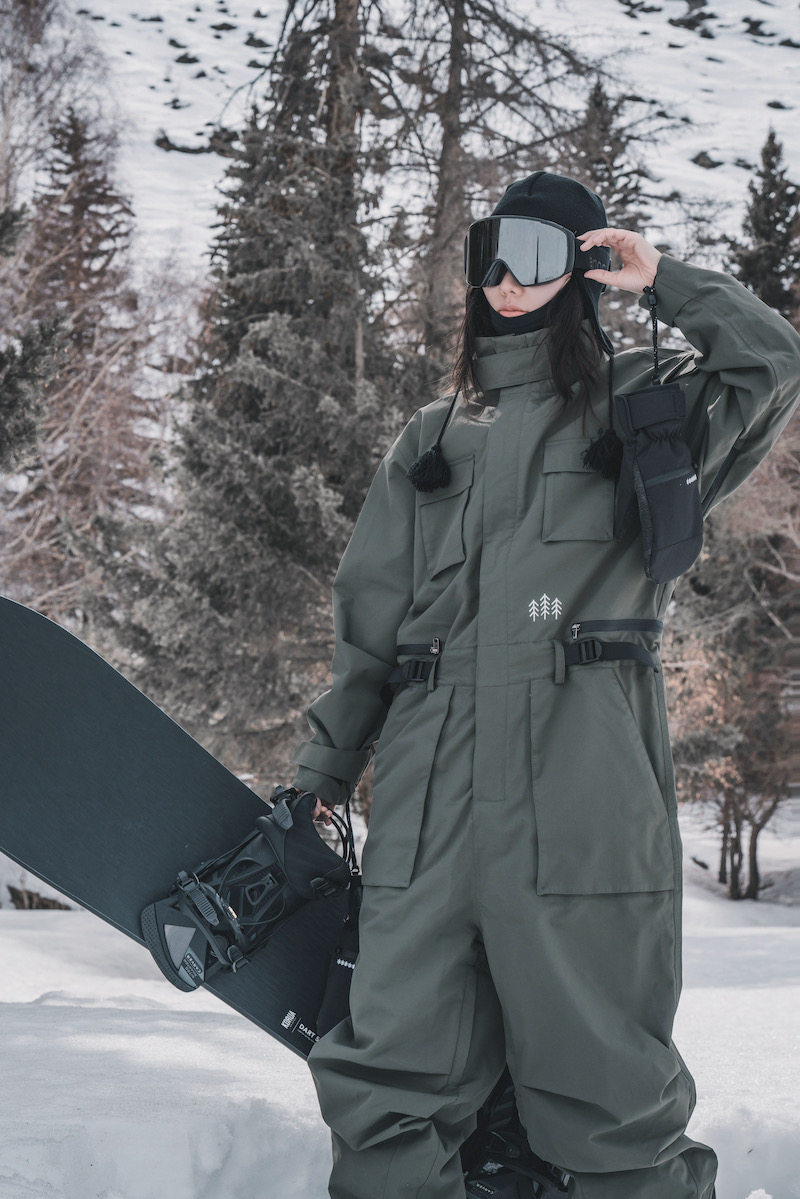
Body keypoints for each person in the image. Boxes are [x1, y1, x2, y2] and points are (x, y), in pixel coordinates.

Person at [289, 170, 800, 1199]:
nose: (506, 281)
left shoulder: (648, 409)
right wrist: (322, 770)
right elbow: (370, 622)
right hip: (429, 802)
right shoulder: (432, 438)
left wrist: (664, 280)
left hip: (581, 793)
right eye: (489, 256)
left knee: (611, 1096)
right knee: (385, 1090)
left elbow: (771, 364)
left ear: (584, 268)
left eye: (535, 255)